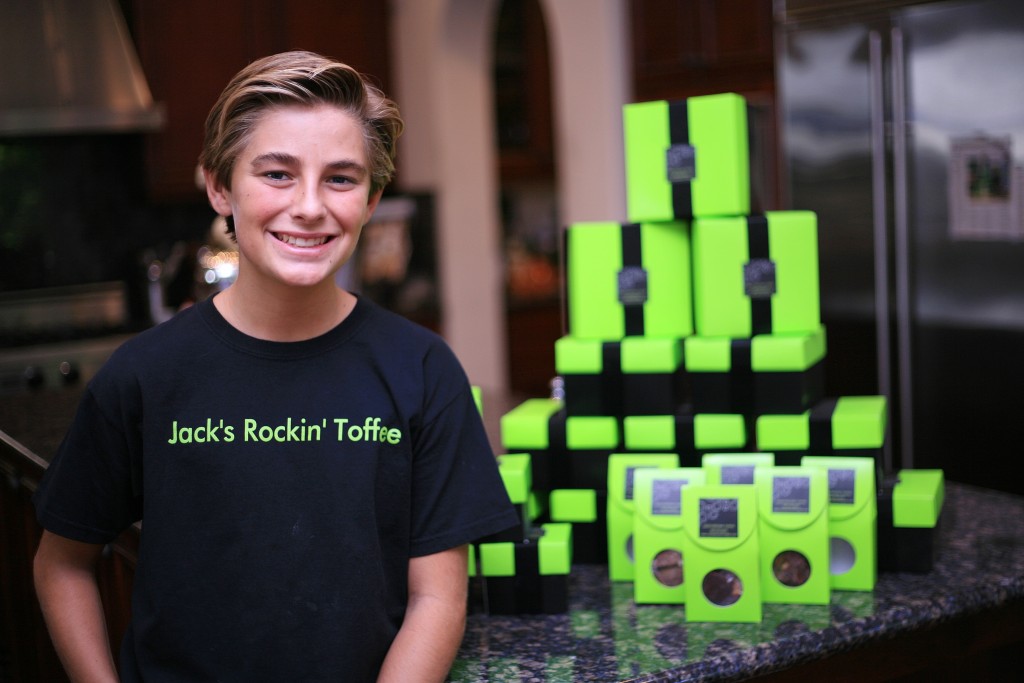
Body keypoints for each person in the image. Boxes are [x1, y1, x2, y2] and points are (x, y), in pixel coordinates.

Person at [32, 50, 519, 682]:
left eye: (341, 179)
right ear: (218, 186)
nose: (311, 206)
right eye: (278, 174)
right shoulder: (145, 376)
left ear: (372, 200)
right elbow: (62, 564)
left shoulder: (422, 370)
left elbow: (438, 596)